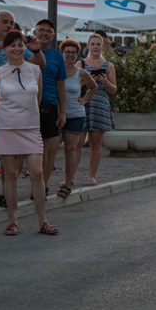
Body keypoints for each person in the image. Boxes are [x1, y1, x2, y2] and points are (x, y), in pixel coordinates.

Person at [0, 30, 58, 236]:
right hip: (7, 128)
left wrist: (26, 117)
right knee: (10, 175)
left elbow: (37, 99)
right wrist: (9, 119)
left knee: (37, 173)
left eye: (20, 45)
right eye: (12, 45)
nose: (17, 49)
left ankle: (43, 221)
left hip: (31, 127)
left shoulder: (35, 70)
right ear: (5, 49)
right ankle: (12, 220)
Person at [0, 11, 45, 204]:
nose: (8, 25)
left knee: (10, 151)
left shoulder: (17, 45)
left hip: (14, 103)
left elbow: (39, 64)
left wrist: (36, 50)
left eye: (12, 23)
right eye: (4, 22)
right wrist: (4, 43)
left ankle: (5, 194)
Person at [57, 39, 97, 197]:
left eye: (73, 53)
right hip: (57, 115)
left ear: (77, 55)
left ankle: (68, 182)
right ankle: (43, 183)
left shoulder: (81, 73)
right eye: (67, 52)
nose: (70, 55)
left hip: (75, 114)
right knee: (51, 149)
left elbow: (93, 87)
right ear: (62, 53)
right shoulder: (57, 70)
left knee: (70, 149)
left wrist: (84, 100)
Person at [77, 33, 117, 185]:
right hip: (83, 104)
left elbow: (113, 90)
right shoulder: (81, 64)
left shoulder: (108, 65)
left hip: (100, 104)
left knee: (96, 143)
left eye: (98, 44)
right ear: (88, 46)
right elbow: (73, 85)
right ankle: (70, 176)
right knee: (77, 143)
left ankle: (92, 176)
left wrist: (105, 82)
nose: (95, 47)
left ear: (102, 46)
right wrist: (87, 81)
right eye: (92, 44)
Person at [33, 19, 67, 192]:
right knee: (29, 150)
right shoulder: (24, 52)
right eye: (42, 30)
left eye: (49, 31)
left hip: (49, 106)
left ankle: (42, 186)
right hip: (27, 106)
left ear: (53, 36)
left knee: (48, 149)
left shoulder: (57, 56)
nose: (45, 33)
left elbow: (61, 85)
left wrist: (62, 112)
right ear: (35, 32)